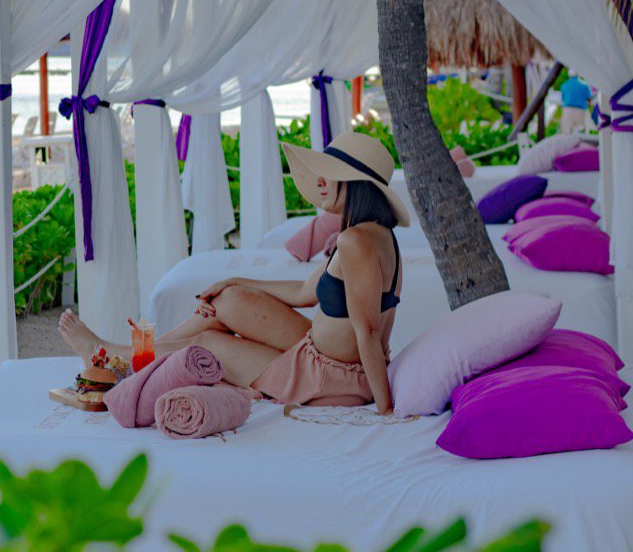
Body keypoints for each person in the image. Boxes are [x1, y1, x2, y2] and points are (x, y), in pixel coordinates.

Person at [59, 131, 407, 414]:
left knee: (206, 343)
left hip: (332, 375)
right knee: (227, 300)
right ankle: (128, 355)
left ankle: (116, 359)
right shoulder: (370, 234)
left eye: (331, 174)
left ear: (356, 184)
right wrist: (235, 280)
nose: (321, 181)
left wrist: (385, 409)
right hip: (318, 352)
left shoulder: (356, 242)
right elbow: (304, 291)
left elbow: (368, 331)